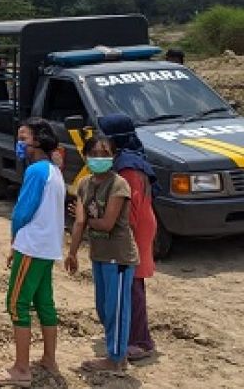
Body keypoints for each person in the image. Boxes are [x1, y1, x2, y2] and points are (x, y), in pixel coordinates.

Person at [0, 117, 65, 388]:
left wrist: (13, 242)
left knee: (17, 303)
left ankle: (21, 368)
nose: (20, 144)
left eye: (23, 138)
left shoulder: (36, 172)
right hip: (48, 247)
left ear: (38, 141)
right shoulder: (54, 171)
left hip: (32, 245)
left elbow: (22, 211)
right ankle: (49, 360)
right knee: (45, 304)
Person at [64, 133, 139, 373]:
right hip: (99, 254)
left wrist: (85, 217)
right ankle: (115, 353)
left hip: (118, 256)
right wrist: (72, 253)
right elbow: (78, 224)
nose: (99, 158)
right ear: (86, 156)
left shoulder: (119, 185)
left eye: (104, 153)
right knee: (104, 308)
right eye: (94, 154)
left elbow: (105, 223)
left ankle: (116, 358)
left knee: (116, 309)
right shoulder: (85, 183)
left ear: (114, 156)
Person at [98, 114, 157, 362]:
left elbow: (129, 210)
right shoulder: (126, 160)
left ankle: (140, 341)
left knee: (132, 285)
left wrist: (114, 232)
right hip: (134, 227)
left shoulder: (128, 167)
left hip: (134, 230)